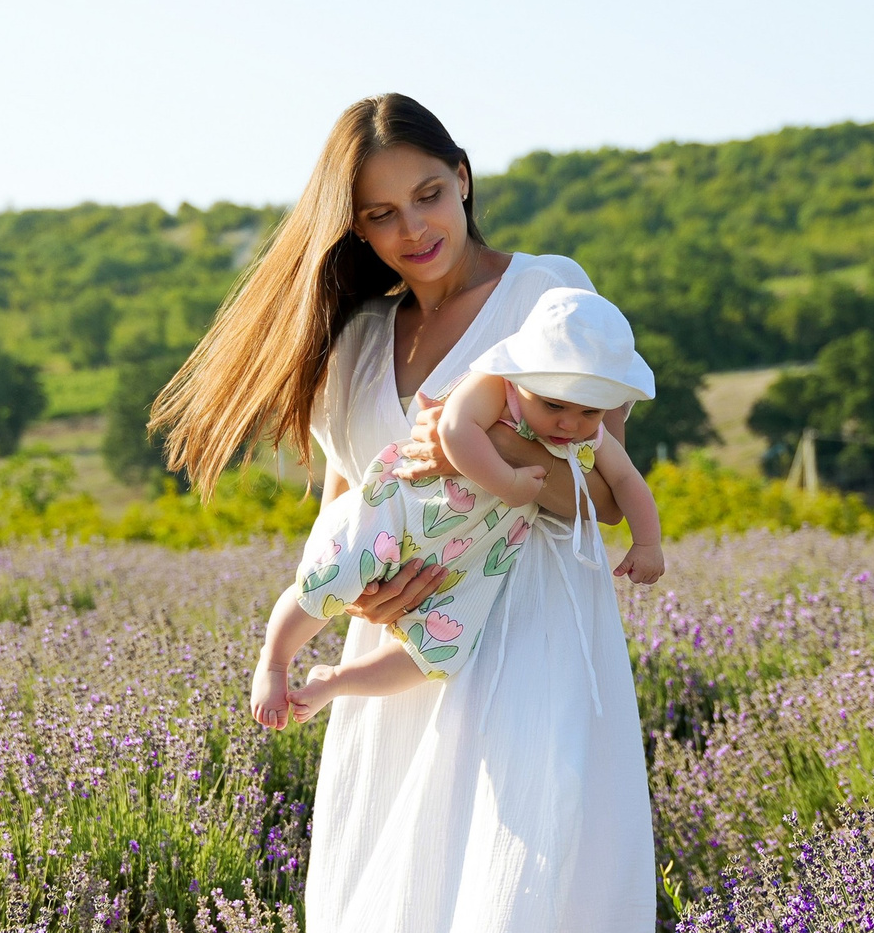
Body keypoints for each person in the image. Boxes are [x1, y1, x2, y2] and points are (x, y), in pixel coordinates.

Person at [152, 93, 657, 933]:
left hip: (528, 649)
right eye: (380, 214)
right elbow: (344, 511)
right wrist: (335, 610)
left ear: (465, 175)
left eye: (428, 194)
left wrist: (512, 483)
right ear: (356, 231)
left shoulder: (548, 296)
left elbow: (600, 478)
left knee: (510, 920)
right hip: (403, 667)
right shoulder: (357, 348)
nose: (414, 228)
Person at [256, 286, 668, 720]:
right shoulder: (497, 385)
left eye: (590, 412)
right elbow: (452, 430)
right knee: (332, 578)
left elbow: (625, 481)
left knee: (438, 652)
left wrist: (647, 542)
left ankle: (336, 682)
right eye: (554, 405)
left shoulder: (588, 429)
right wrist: (509, 482)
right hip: (409, 510)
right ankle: (275, 660)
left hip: (474, 552)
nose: (570, 423)